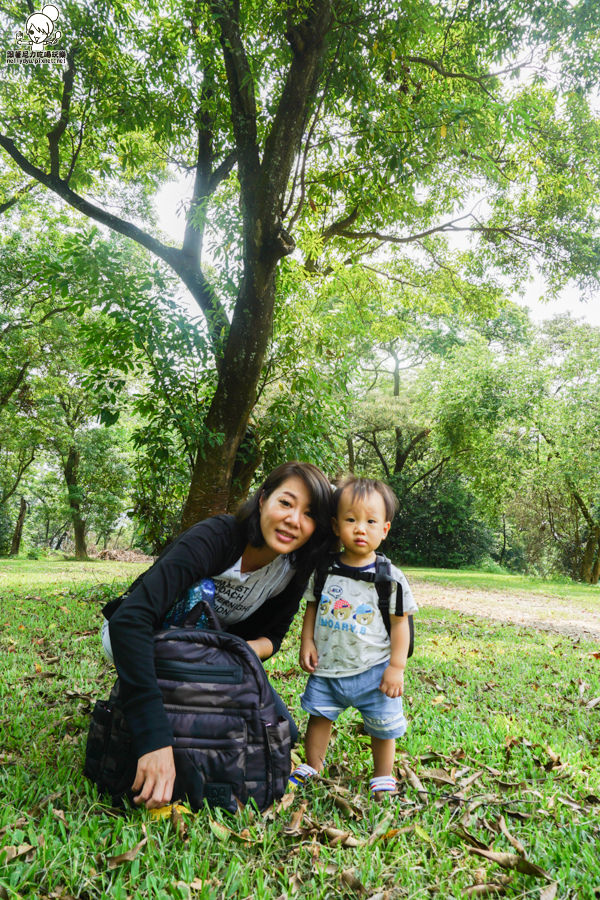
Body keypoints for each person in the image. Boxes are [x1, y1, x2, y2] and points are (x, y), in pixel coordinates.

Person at [101, 461, 333, 809]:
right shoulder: (217, 536)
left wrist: (233, 653)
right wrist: (154, 739)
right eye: (286, 503)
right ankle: (159, 708)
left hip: (215, 652)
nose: (294, 520)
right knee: (200, 593)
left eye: (309, 513)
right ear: (263, 500)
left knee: (286, 732)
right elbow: (130, 621)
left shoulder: (294, 567)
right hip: (143, 639)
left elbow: (273, 636)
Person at [291, 476, 417, 799]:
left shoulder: (390, 579)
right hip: (329, 666)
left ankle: (382, 776)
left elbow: (401, 624)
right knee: (319, 716)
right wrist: (307, 642)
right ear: (335, 526)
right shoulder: (325, 571)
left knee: (382, 726)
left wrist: (396, 667)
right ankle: (313, 765)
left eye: (370, 521)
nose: (360, 528)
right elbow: (313, 607)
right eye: (351, 520)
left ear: (384, 529)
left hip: (375, 671)